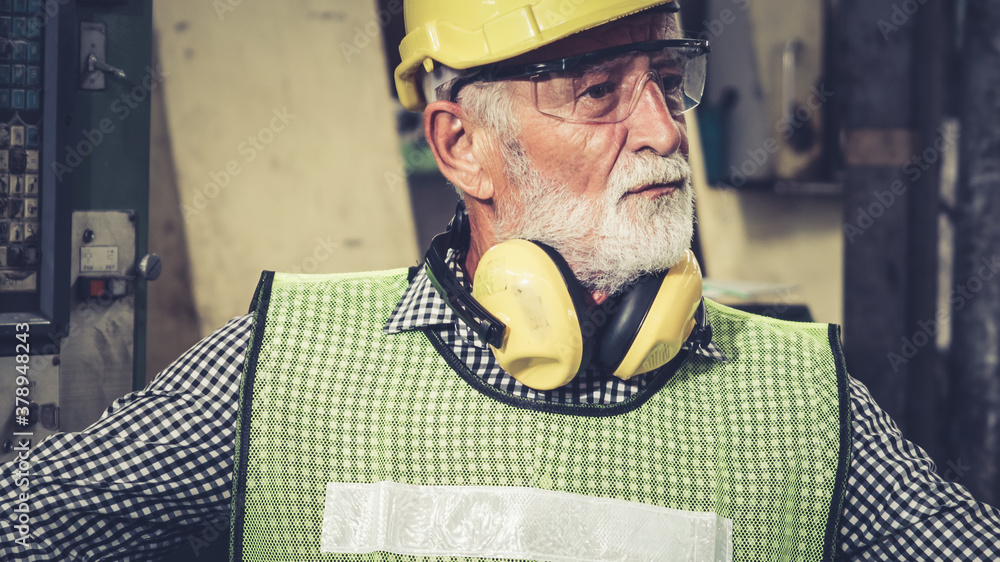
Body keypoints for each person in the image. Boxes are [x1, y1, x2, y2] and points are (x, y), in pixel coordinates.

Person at [3, 0, 1000, 560]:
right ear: (463, 147)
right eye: (599, 91)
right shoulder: (280, 372)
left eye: (665, 77)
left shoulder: (801, 405)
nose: (661, 131)